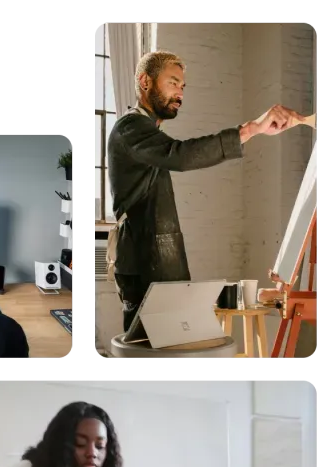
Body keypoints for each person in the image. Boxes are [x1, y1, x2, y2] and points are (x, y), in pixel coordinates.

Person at [107, 50, 304, 336]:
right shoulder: (130, 126)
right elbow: (180, 155)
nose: (180, 93)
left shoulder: (148, 131)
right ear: (145, 81)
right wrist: (251, 129)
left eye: (183, 86)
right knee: (149, 352)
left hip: (156, 259)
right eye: (173, 83)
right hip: (144, 261)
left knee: (170, 348)